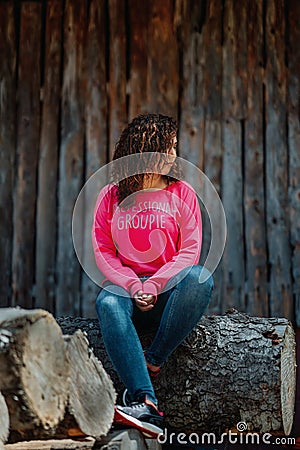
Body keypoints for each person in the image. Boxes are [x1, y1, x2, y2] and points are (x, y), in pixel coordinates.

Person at [92, 113, 214, 438]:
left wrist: (156, 284)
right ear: (148, 147)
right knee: (106, 301)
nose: (174, 155)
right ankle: (145, 402)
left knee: (200, 278)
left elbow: (190, 250)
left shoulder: (182, 193)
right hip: (126, 296)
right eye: (169, 147)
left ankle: (152, 360)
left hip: (169, 300)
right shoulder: (111, 196)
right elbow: (103, 250)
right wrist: (132, 285)